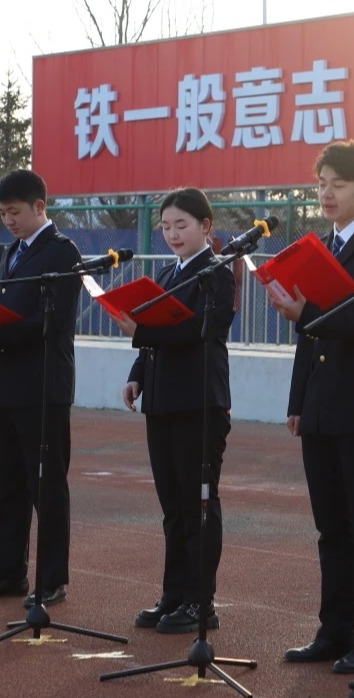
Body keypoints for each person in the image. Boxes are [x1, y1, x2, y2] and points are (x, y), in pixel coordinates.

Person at [269, 140, 354, 674]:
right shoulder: (317, 248)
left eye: (338, 185)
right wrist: (298, 399)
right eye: (321, 183)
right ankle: (334, 630)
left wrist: (306, 312)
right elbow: (310, 336)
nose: (326, 193)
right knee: (331, 526)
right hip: (322, 404)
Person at [0, 169, 82, 608]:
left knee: (47, 486)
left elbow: (51, 323)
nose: (8, 221)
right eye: (3, 213)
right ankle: (9, 572)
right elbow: (0, 317)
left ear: (39, 207)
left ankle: (52, 579)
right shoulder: (10, 253)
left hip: (42, 387)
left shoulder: (62, 251)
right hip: (4, 387)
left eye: (15, 212)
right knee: (6, 485)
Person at [117, 188, 236, 634]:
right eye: (165, 226)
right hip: (163, 400)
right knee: (172, 504)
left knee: (198, 503)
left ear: (206, 226)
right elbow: (153, 334)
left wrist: (141, 332)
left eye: (181, 225)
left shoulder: (218, 273)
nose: (172, 234)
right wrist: (138, 374)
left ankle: (201, 602)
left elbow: (199, 330)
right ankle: (174, 594)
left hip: (199, 401)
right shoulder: (167, 272)